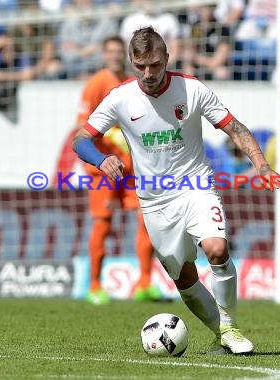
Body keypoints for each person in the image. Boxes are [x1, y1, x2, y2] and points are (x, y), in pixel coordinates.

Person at [72, 26, 280, 354]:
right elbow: (81, 139)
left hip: (196, 185)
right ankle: (221, 334)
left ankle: (230, 325)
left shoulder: (192, 89)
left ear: (167, 59)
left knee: (216, 249)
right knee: (185, 277)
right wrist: (101, 160)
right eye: (140, 65)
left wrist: (262, 165)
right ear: (132, 62)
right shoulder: (120, 97)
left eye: (155, 65)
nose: (148, 73)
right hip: (155, 199)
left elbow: (234, 127)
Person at [68, 36, 161, 305]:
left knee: (147, 220)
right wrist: (112, 138)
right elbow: (82, 129)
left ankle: (144, 283)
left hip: (133, 168)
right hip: (104, 168)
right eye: (110, 51)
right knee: (103, 223)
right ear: (104, 54)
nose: (115, 56)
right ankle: (95, 285)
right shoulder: (96, 84)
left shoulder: (132, 83)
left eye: (119, 51)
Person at [0, 34, 38, 124]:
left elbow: (28, 75)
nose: (9, 51)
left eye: (11, 48)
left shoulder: (22, 58)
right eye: (4, 48)